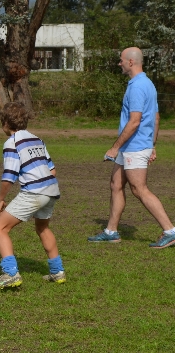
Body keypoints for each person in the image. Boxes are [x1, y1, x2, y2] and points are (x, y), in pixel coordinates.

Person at [88, 47, 175, 249]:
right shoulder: (147, 83)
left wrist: (114, 148)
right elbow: (155, 117)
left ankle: (170, 230)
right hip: (134, 145)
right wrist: (152, 145)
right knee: (116, 184)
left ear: (130, 62)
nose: (119, 63)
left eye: (121, 60)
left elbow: (135, 121)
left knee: (139, 189)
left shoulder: (137, 87)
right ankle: (111, 231)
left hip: (133, 146)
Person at [0, 102, 65, 290]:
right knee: (43, 228)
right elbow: (52, 169)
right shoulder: (37, 139)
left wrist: (1, 198)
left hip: (35, 191)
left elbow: (9, 177)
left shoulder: (11, 143)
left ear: (5, 123)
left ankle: (11, 274)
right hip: (51, 189)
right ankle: (57, 271)